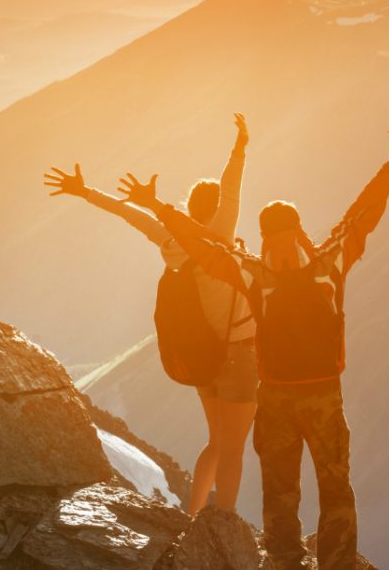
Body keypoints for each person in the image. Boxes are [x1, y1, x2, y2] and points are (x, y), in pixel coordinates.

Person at [115, 120, 389, 570]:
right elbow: (363, 215)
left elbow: (203, 245)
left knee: (281, 494)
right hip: (322, 397)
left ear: (265, 238)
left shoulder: (254, 275)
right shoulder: (329, 264)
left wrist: (159, 208)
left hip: (276, 398)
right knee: (334, 487)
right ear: (298, 233)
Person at [43, 113, 257, 516]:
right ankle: (225, 526)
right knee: (233, 448)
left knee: (216, 441)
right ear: (213, 213)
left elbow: (129, 213)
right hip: (239, 353)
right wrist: (240, 146)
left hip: (204, 355)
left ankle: (195, 517)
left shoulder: (171, 238)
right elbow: (232, 191)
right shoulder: (218, 238)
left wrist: (84, 191)